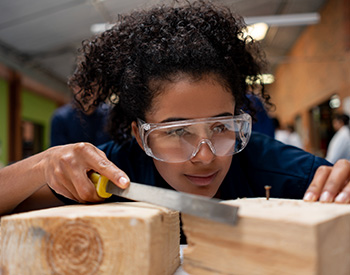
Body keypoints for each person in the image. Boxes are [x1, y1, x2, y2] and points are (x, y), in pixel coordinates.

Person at [1, 0, 350, 217]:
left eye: (220, 127)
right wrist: (42, 166)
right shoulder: (113, 174)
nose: (204, 156)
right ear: (141, 136)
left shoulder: (284, 173)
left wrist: (341, 186)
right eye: (177, 131)